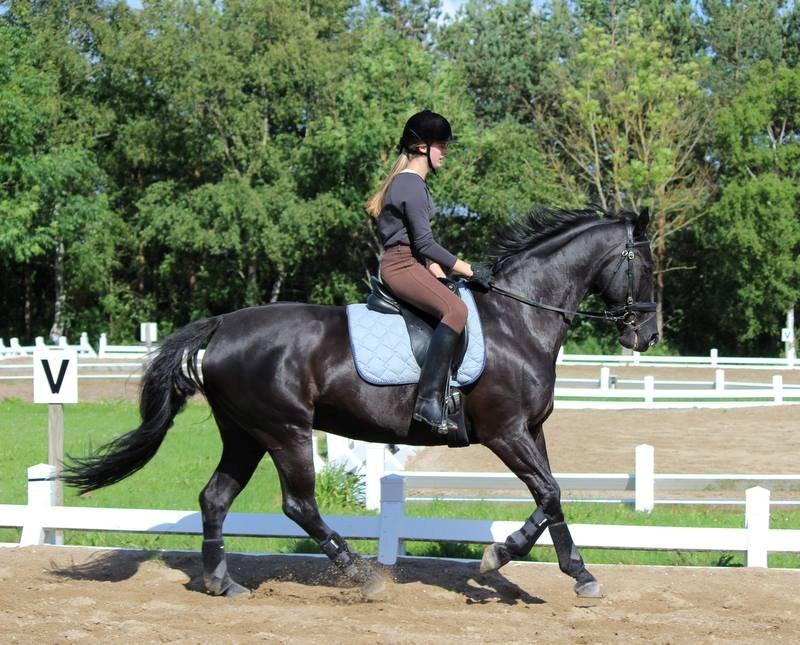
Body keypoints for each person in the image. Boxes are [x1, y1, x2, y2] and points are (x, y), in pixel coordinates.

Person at [365, 110, 491, 434]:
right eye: (442, 145)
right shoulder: (410, 184)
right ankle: (428, 401)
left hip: (413, 263)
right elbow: (423, 242)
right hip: (401, 266)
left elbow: (420, 245)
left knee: (451, 297)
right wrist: (468, 269)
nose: (445, 152)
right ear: (423, 147)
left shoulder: (411, 183)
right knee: (456, 310)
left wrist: (439, 272)